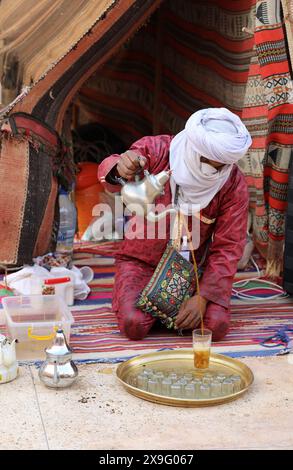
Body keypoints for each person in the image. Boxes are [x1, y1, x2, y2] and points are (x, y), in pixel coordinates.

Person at [98, 108, 252, 341]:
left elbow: (229, 246)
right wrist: (121, 165)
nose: (209, 171)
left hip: (193, 271)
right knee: (134, 324)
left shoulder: (232, 183)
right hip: (141, 263)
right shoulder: (160, 149)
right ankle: (156, 309)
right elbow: (115, 168)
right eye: (204, 161)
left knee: (215, 326)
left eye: (218, 166)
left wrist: (203, 298)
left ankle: (168, 312)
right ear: (193, 148)